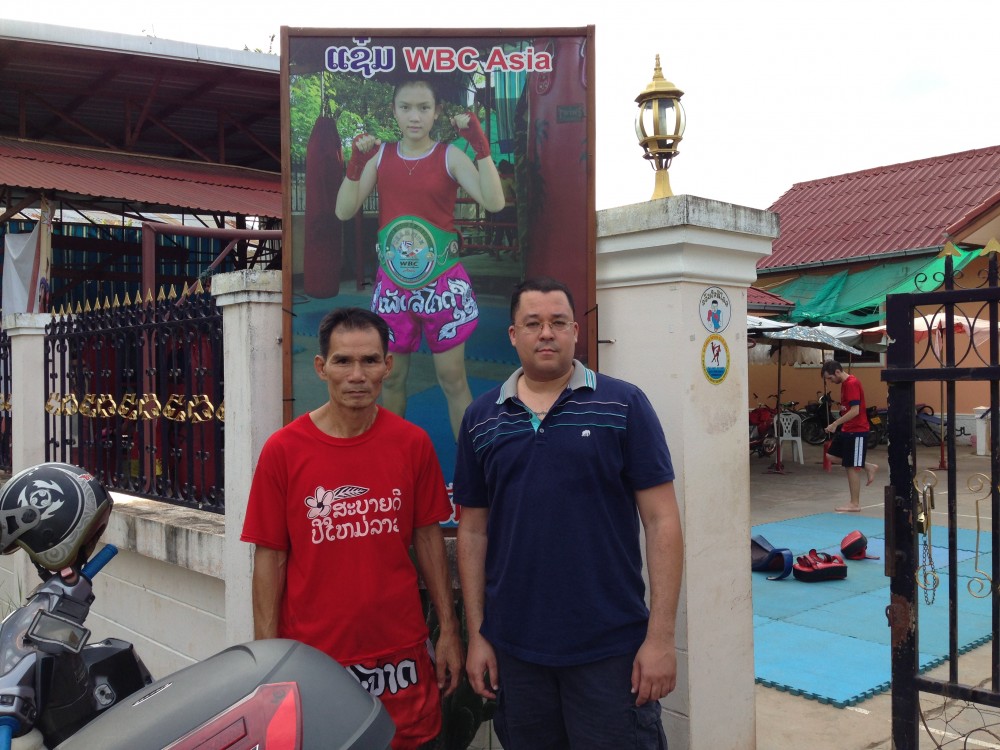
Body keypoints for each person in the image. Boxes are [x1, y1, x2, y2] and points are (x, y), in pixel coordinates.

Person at [453, 277, 684, 749]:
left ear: (575, 331)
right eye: (532, 323)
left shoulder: (623, 405)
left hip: (610, 647)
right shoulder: (481, 419)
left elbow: (662, 521)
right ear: (513, 335)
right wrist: (478, 635)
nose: (546, 334)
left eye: (558, 322)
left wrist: (660, 639)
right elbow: (473, 533)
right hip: (517, 651)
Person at [241, 307, 463, 750]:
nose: (357, 374)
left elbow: (428, 539)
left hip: (402, 658)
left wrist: (450, 632)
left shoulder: (412, 444)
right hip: (316, 661)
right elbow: (270, 559)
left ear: (388, 365)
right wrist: (267, 662)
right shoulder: (283, 451)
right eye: (343, 361)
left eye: (369, 360)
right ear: (321, 367)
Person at [335, 78, 505, 440]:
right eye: (406, 107)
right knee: (391, 377)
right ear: (394, 110)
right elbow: (344, 211)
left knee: (453, 379)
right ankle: (388, 462)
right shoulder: (381, 156)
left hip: (442, 285)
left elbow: (495, 203)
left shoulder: (450, 155)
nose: (415, 116)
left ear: (437, 112)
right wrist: (355, 165)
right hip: (394, 286)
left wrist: (481, 149)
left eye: (424, 108)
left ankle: (471, 475)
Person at [821, 359, 879, 512]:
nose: (830, 381)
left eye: (830, 378)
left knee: (851, 466)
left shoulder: (851, 383)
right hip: (848, 428)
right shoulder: (845, 384)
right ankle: (868, 466)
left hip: (858, 430)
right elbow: (849, 408)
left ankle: (854, 503)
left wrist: (835, 424)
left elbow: (855, 410)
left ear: (838, 372)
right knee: (831, 456)